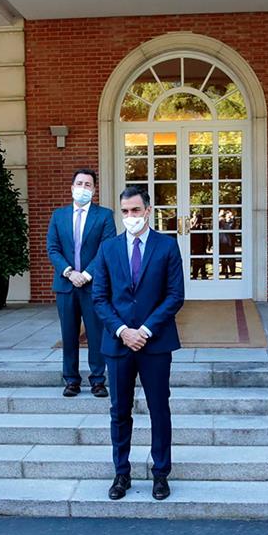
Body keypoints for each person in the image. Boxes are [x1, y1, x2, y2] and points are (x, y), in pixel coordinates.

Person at [90, 185, 185, 501]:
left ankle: (161, 474)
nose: (130, 216)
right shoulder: (108, 249)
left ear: (148, 210)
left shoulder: (167, 246)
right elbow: (99, 298)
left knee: (159, 409)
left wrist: (144, 330)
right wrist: (122, 331)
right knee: (119, 411)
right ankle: (121, 473)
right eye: (125, 211)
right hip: (117, 345)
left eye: (135, 210)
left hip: (155, 343)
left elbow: (174, 296)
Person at [46, 168, 116, 398]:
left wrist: (85, 275)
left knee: (96, 333)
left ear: (94, 189)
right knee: (69, 335)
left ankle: (98, 380)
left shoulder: (104, 216)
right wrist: (69, 272)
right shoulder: (59, 216)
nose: (83, 188)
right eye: (79, 183)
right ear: (72, 187)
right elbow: (53, 249)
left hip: (93, 285)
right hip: (65, 285)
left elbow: (106, 249)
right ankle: (71, 380)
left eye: (88, 184)